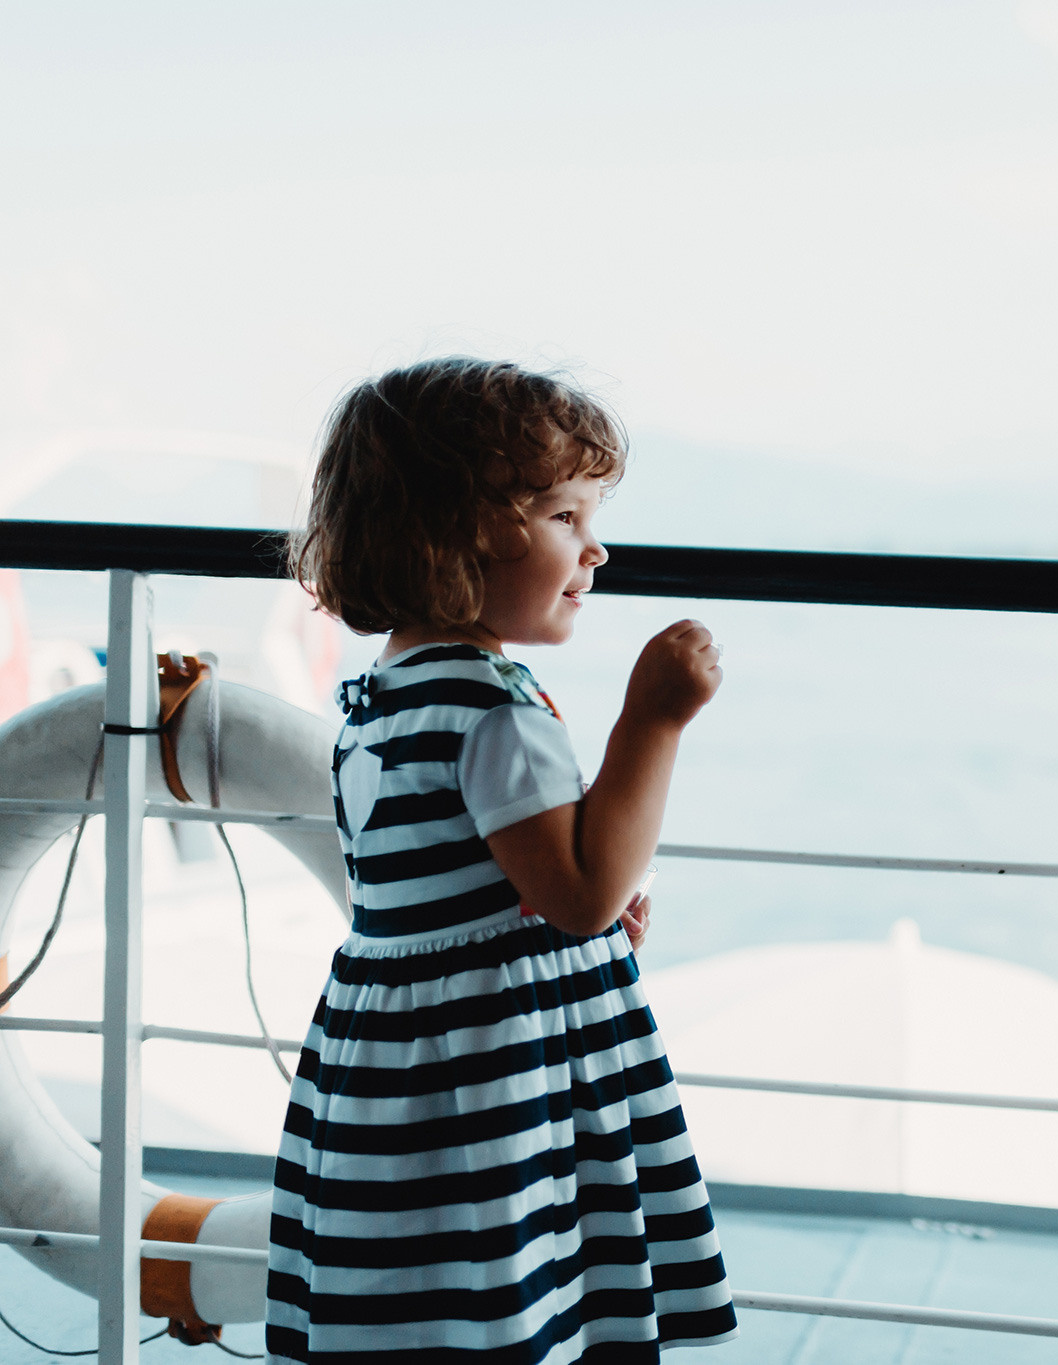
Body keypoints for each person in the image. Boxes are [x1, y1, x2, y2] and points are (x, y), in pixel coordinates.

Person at [272, 358, 738, 1361]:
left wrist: (584, 948)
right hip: (486, 1090)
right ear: (471, 529)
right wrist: (653, 720)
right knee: (507, 1294)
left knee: (421, 1299)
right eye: (567, 516)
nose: (596, 548)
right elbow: (576, 896)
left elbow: (456, 898)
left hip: (397, 1066)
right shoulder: (495, 707)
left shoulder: (383, 696)